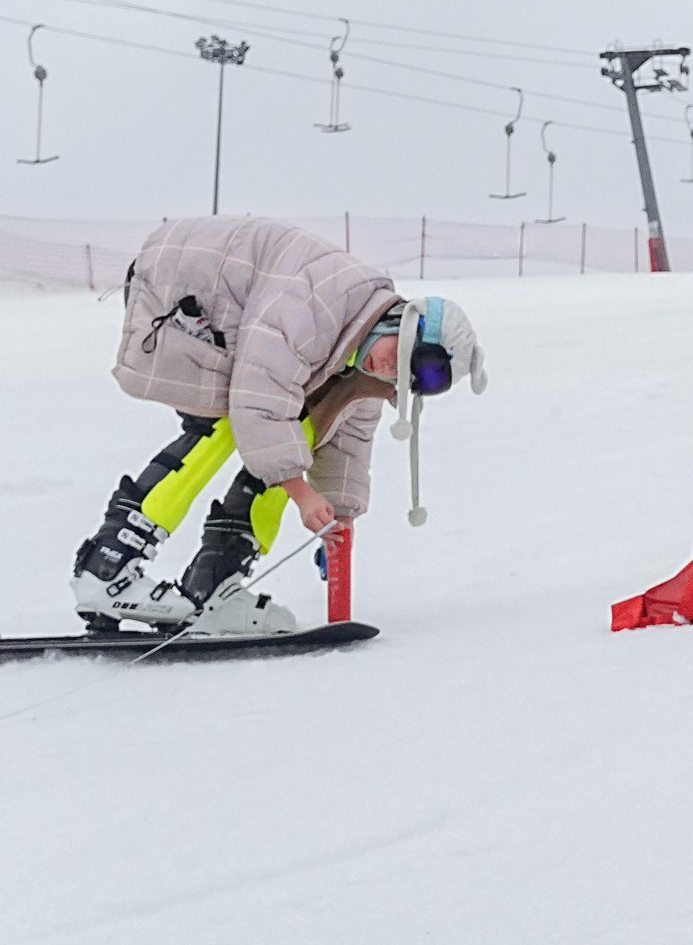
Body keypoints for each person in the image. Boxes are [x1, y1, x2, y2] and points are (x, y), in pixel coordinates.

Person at [70, 215, 487, 635]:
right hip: (181, 282)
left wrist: (339, 518)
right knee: (227, 422)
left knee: (300, 426)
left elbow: (348, 442)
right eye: (401, 357)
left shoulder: (365, 363)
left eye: (407, 379)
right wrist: (302, 493)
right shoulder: (320, 303)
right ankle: (109, 566)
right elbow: (258, 399)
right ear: (403, 321)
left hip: (242, 319)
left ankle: (214, 583)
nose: (390, 373)